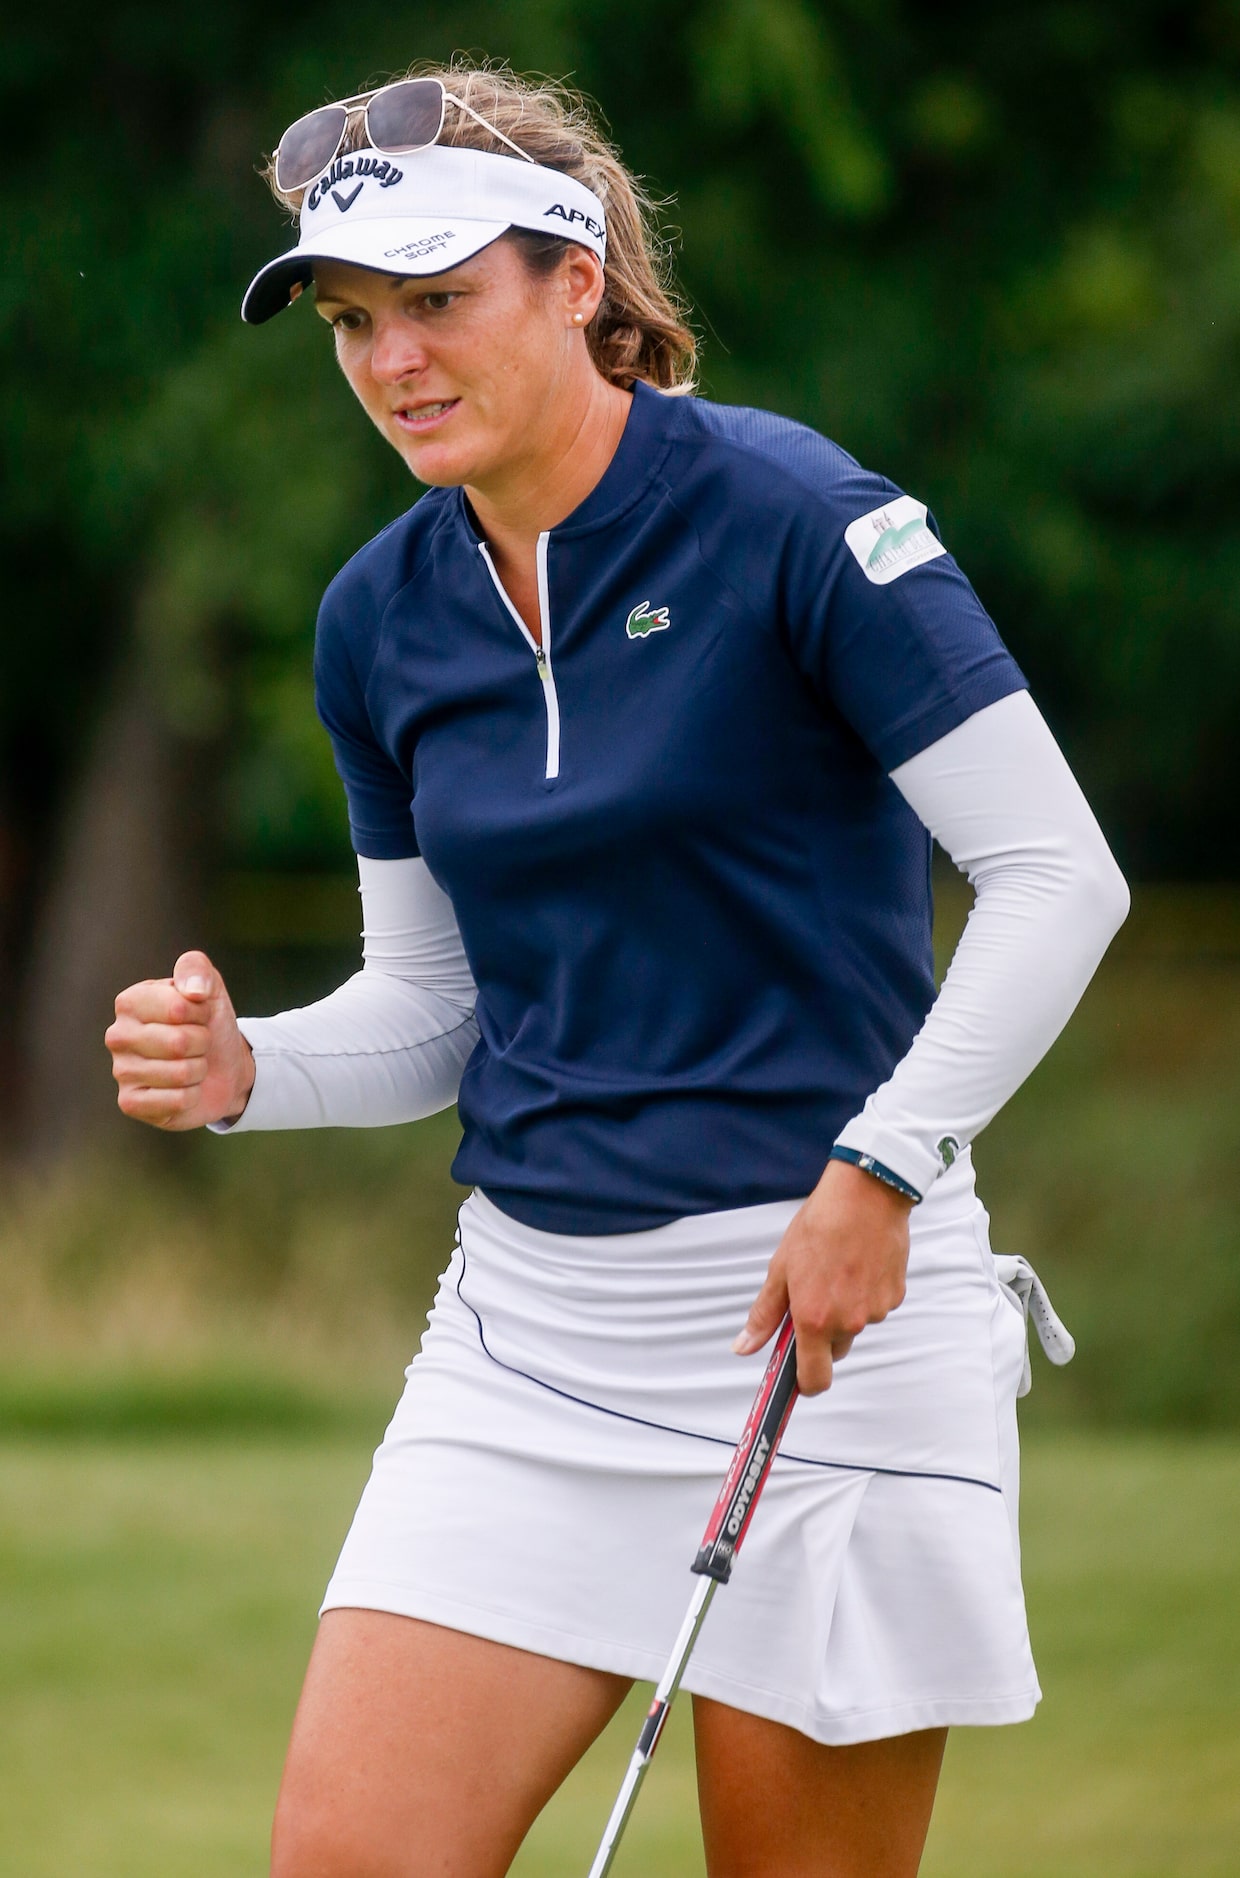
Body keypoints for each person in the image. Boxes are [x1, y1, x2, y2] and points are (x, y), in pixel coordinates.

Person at [104, 62, 1129, 1878]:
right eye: (352, 320)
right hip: (527, 1336)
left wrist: (887, 1164)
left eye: (438, 298)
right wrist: (250, 1064)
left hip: (825, 1332)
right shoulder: (379, 619)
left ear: (577, 281)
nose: (392, 360)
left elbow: (1059, 876)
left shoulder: (795, 516)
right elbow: (432, 1007)